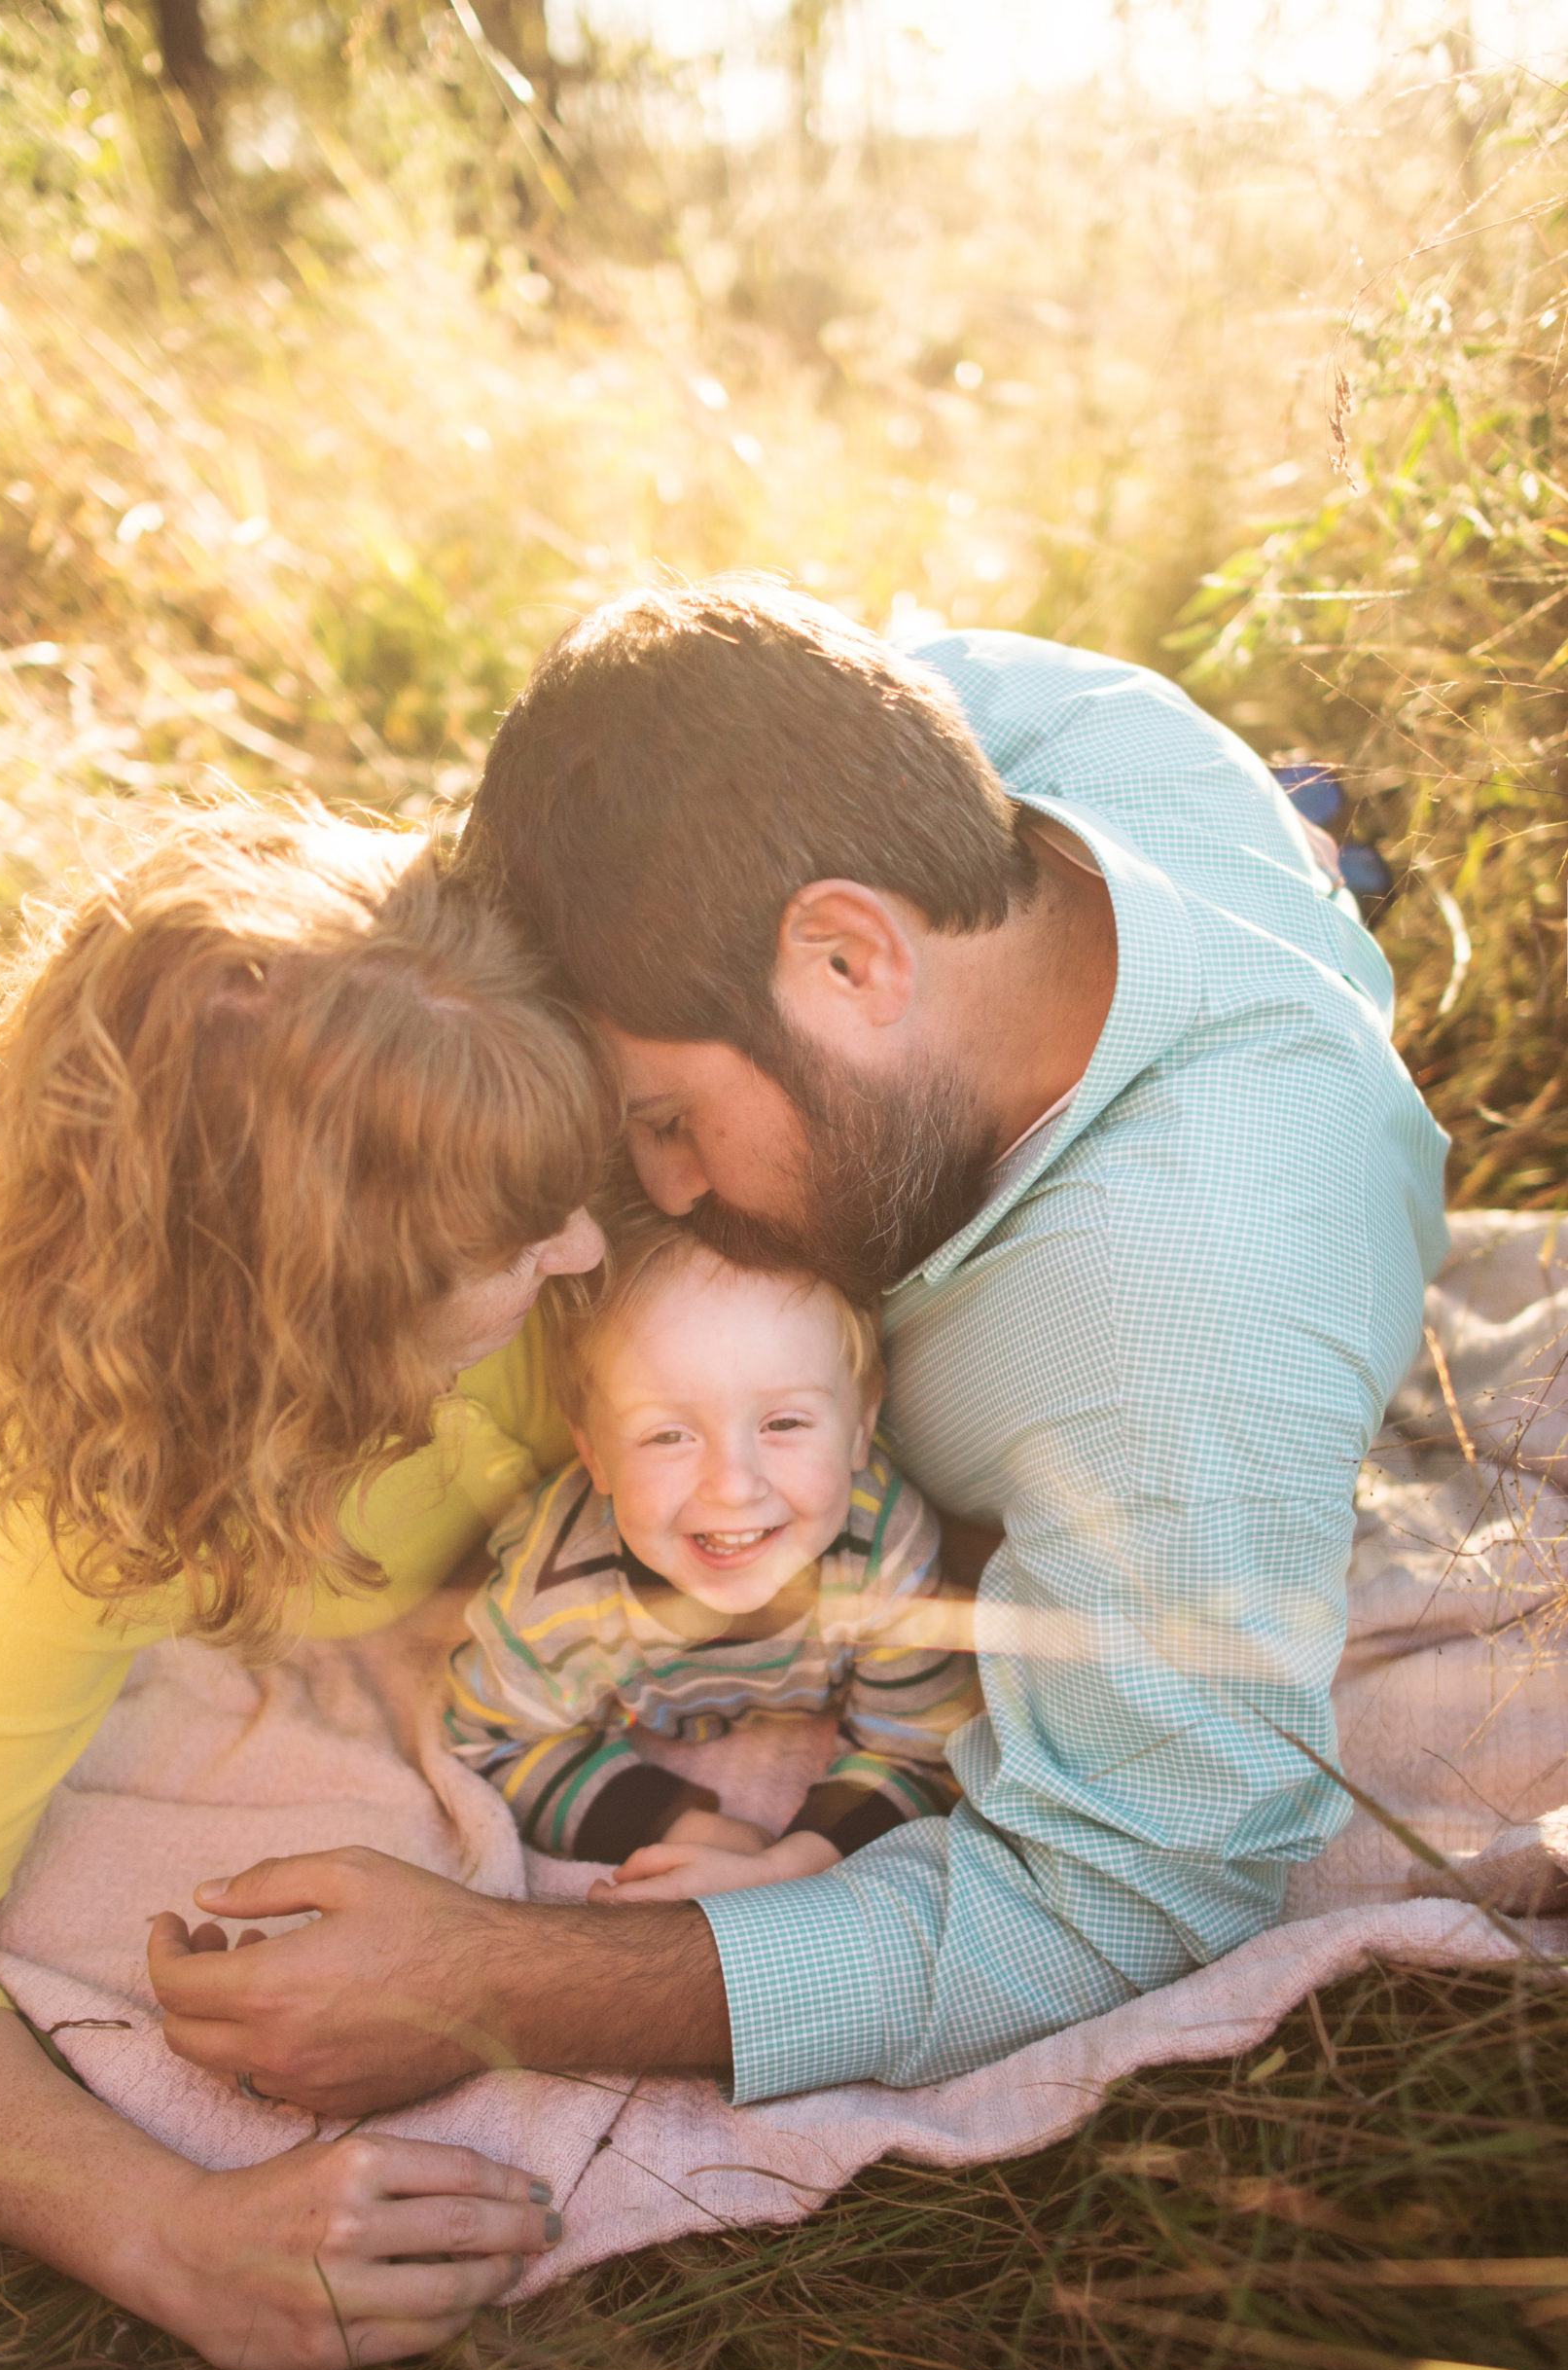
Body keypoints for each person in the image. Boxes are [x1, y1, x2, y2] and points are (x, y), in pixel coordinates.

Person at [146, 578, 1448, 2123]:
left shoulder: (1178, 1338)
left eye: (667, 1120)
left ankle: (1316, 863)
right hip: (1207, 846)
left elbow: (1141, 1881)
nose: (644, 1193)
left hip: (1265, 1204)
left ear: (851, 958)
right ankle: (1308, 851)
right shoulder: (1029, 716)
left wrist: (499, 1986)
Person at [0, 804, 613, 2370]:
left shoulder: (568, 1185)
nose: (586, 1245)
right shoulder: (87, 1515)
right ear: (302, 1335)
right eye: (510, 1240)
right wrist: (162, 2230)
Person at [443, 1203, 981, 1892]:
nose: (733, 1486)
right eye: (668, 1435)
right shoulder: (558, 1590)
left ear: (860, 1428)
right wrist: (673, 1823)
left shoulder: (884, 1544)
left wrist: (804, 1858)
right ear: (594, 1454)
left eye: (784, 1423)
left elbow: (921, 1744)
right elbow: (494, 1741)